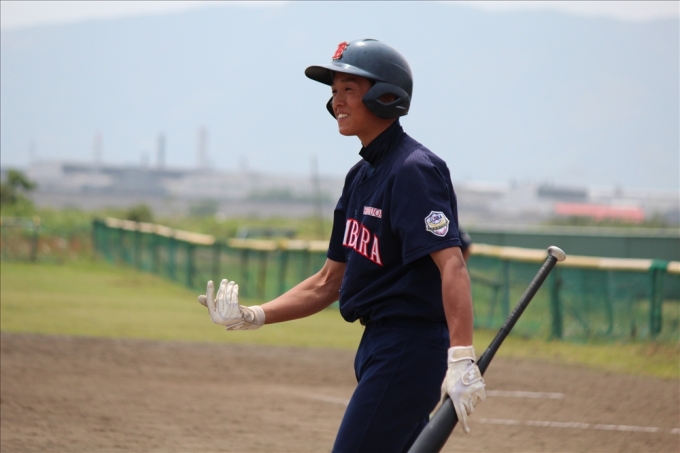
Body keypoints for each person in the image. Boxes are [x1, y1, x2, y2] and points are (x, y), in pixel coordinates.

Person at [198, 39, 486, 453]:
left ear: (385, 96)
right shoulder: (361, 177)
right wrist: (254, 314)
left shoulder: (413, 170)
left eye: (349, 89)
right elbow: (328, 282)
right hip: (377, 346)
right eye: (334, 91)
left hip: (409, 347)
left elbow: (452, 266)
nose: (337, 101)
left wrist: (461, 354)